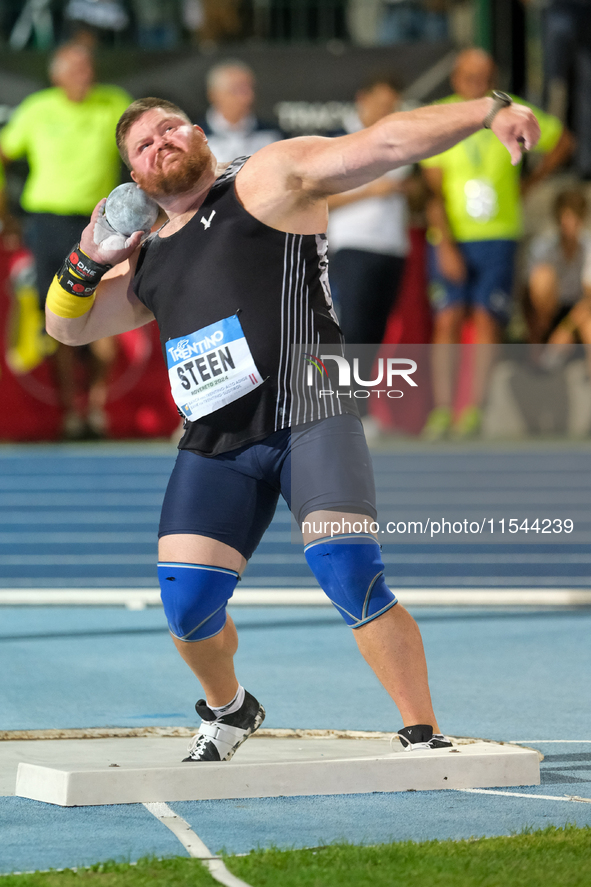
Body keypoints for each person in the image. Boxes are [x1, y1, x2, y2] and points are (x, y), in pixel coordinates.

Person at [44, 92, 540, 761]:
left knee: (349, 568)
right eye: (142, 145)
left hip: (314, 409)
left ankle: (422, 731)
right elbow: (67, 327)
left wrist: (484, 109)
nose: (160, 143)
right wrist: (88, 255)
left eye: (169, 128)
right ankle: (230, 708)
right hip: (217, 440)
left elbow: (387, 143)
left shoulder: (267, 178)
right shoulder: (147, 257)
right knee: (187, 608)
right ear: (132, 179)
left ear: (197, 133)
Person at [420, 48, 573, 440]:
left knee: (488, 319)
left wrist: (529, 184)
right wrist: (447, 244)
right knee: (448, 318)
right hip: (452, 235)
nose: (476, 83)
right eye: (469, 76)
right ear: (456, 78)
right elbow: (432, 192)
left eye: (484, 75)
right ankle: (442, 411)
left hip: (499, 233)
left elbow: (561, 141)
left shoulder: (513, 109)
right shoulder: (442, 113)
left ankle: (471, 411)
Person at [0, 42, 131, 439]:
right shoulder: (37, 109)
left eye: (88, 67)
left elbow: (140, 153)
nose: (84, 74)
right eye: (75, 68)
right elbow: (5, 152)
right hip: (48, 222)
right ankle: (73, 412)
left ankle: (95, 407)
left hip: (99, 223)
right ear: (56, 75)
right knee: (57, 321)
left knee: (107, 318)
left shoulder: (114, 102)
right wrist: (6, 216)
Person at [528, 189, 591, 344]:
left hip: (579, 313)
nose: (570, 224)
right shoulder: (543, 247)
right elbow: (530, 291)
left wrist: (567, 328)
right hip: (550, 311)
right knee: (543, 277)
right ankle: (540, 344)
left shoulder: (588, 246)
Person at [199, 60, 283, 163]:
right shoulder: (195, 139)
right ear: (213, 95)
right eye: (237, 90)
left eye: (250, 89)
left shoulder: (271, 134)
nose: (248, 97)